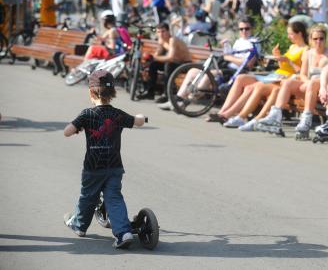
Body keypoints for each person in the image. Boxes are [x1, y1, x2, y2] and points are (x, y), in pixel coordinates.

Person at [63, 69, 146, 249]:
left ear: (91, 92)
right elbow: (137, 121)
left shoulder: (86, 114)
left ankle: (79, 226)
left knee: (87, 197)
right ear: (113, 93)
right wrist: (142, 117)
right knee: (114, 198)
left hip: (92, 168)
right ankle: (123, 233)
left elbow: (67, 132)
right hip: (114, 167)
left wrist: (77, 128)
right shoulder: (118, 114)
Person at [221, 21, 308, 130]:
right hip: (277, 75)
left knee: (252, 87)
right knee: (241, 78)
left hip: (286, 79)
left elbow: (301, 71)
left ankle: (238, 116)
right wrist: (278, 57)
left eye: (290, 34)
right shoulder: (292, 47)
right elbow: (283, 67)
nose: (288, 36)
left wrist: (288, 61)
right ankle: (227, 113)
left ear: (299, 33)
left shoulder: (306, 50)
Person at [163, 17, 258, 112]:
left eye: (247, 28)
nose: (244, 31)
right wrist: (226, 47)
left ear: (252, 28)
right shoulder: (239, 41)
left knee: (208, 75)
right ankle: (177, 100)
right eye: (241, 29)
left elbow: (248, 64)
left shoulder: (254, 43)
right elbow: (229, 55)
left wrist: (229, 57)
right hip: (225, 67)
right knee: (192, 71)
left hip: (236, 72)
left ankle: (185, 102)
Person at [255, 25, 328, 136]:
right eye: (315, 39)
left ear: (325, 39)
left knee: (312, 83)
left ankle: (306, 121)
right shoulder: (308, 53)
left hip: (325, 87)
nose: (318, 41)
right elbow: (302, 74)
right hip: (310, 87)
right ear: (311, 40)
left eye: (321, 38)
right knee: (288, 82)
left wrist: (310, 84)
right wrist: (308, 83)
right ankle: (275, 115)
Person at [137, 22, 191, 103]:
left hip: (185, 64)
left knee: (168, 65)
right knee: (153, 65)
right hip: (174, 63)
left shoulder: (173, 40)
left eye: (163, 31)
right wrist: (150, 60)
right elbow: (157, 54)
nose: (161, 34)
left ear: (168, 31)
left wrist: (154, 57)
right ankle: (150, 92)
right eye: (158, 32)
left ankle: (166, 94)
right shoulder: (161, 40)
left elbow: (170, 57)